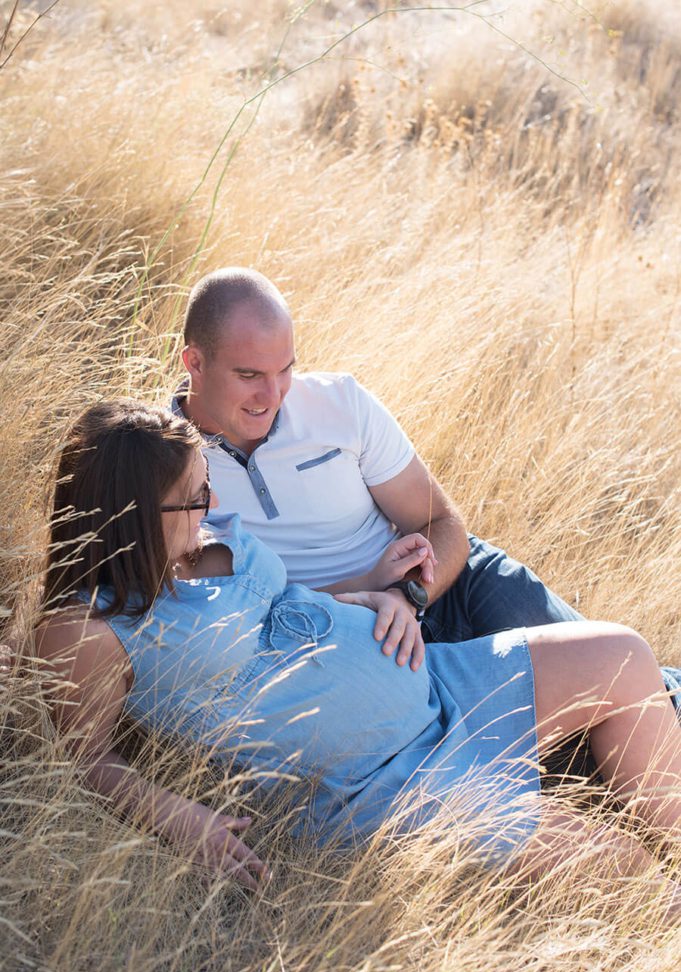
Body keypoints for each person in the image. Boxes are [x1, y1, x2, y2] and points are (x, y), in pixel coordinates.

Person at [36, 400, 681, 904]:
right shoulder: (89, 630)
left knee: (623, 654)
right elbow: (86, 757)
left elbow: (285, 609)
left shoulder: (205, 536)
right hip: (379, 784)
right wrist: (177, 816)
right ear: (133, 514)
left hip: (438, 684)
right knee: (624, 866)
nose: (215, 504)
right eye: (196, 495)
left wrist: (370, 591)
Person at [174, 268, 681, 712]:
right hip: (355, 643)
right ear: (194, 362)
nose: (274, 395)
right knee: (577, 749)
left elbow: (442, 524)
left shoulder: (341, 404)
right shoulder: (169, 467)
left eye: (285, 369)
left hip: (449, 585)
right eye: (249, 375)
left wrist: (405, 593)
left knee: (629, 681)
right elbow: (222, 616)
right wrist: (367, 597)